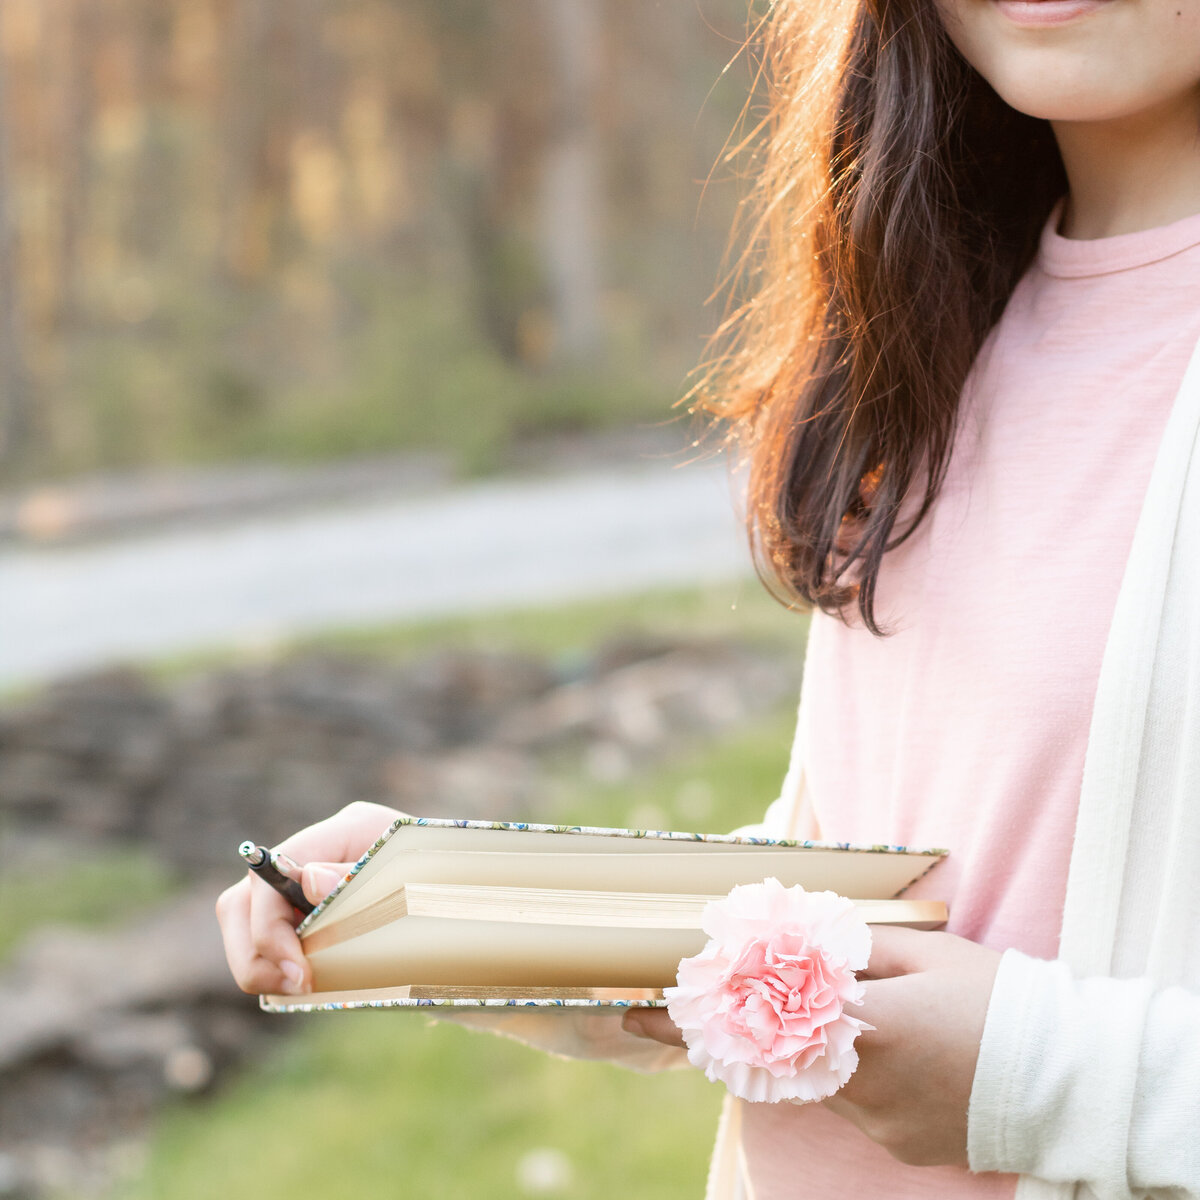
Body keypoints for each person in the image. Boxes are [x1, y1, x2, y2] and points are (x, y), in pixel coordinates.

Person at [217, 1, 1200, 1196]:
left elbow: (1008, 1036)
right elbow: (886, 895)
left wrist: (1035, 1073)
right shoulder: (951, 312)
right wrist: (465, 909)